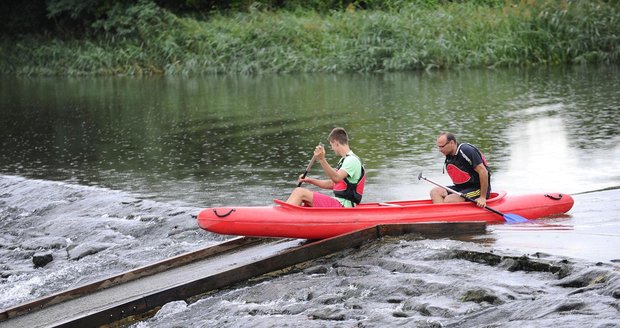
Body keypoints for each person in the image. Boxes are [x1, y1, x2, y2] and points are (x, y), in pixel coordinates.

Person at [286, 127, 365, 208]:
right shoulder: (344, 160)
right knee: (304, 200)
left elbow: (336, 178)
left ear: (335, 142)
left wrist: (321, 159)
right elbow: (332, 183)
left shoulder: (351, 160)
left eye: (331, 145)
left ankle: (284, 215)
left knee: (299, 192)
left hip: (343, 206)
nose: (332, 148)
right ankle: (290, 214)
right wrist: (309, 180)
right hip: (340, 204)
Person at [430, 132, 491, 207]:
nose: (440, 150)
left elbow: (483, 172)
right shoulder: (449, 155)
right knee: (435, 192)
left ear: (452, 143)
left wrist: (482, 197)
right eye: (439, 147)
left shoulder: (466, 150)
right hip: (461, 188)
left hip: (477, 188)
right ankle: (441, 215)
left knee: (449, 200)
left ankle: (445, 213)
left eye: (442, 146)